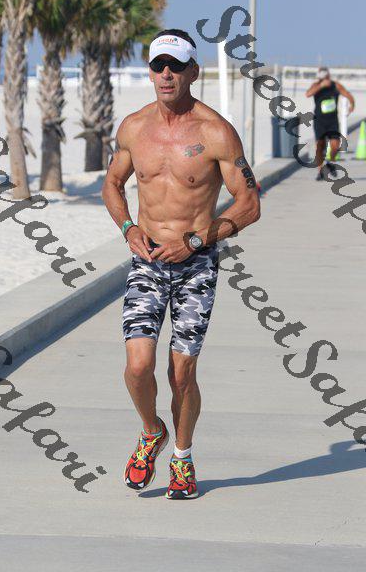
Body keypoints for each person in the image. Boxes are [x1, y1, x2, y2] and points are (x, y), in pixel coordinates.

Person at [102, 29, 260, 500]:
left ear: (194, 71)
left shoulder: (216, 132)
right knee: (138, 367)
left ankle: (183, 457)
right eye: (158, 66)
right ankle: (152, 431)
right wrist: (128, 227)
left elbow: (249, 203)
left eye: (175, 66)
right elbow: (112, 183)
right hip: (148, 262)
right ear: (150, 72)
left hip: (197, 266)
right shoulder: (134, 128)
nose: (166, 74)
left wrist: (196, 240)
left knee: (181, 373)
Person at [305, 66, 355, 180]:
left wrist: (352, 104)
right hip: (319, 122)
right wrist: (321, 86)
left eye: (326, 76)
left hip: (332, 121)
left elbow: (347, 93)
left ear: (328, 75)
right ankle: (320, 171)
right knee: (320, 146)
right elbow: (308, 94)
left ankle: (331, 163)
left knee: (335, 145)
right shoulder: (316, 85)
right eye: (322, 76)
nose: (324, 78)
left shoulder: (335, 85)